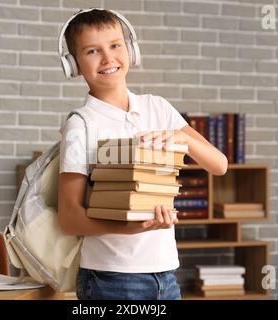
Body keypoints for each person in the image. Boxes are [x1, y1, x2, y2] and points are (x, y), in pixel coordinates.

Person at [58, 8, 228, 300]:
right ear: (74, 64)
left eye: (115, 45)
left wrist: (180, 138)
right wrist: (130, 228)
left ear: (131, 50)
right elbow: (70, 218)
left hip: (166, 275)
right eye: (92, 51)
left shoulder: (158, 108)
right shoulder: (81, 124)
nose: (108, 58)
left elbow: (219, 165)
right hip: (110, 278)